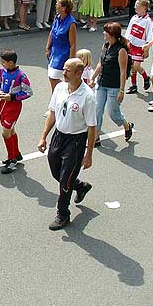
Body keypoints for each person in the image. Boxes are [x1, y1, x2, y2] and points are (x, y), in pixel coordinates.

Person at [38, 57, 96, 231]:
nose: (63, 73)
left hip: (76, 141)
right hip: (59, 136)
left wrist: (89, 154)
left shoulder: (88, 96)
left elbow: (92, 128)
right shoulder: (60, 88)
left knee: (65, 181)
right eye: (63, 69)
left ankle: (62, 214)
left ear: (79, 73)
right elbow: (53, 113)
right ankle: (81, 186)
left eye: (67, 70)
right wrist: (43, 137)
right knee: (57, 172)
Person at [89, 22, 134, 145]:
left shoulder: (121, 51)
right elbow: (100, 64)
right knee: (97, 110)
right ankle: (96, 136)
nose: (103, 33)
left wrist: (121, 90)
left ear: (112, 34)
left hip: (114, 86)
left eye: (106, 32)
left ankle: (127, 125)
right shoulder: (105, 46)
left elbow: (123, 72)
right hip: (102, 84)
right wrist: (93, 78)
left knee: (113, 113)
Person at [0, 49, 33, 174]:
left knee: (5, 133)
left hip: (13, 107)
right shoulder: (2, 71)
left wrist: (13, 97)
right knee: (11, 130)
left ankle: (12, 160)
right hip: (3, 105)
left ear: (11, 63)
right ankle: (17, 153)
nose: (2, 64)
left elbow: (28, 92)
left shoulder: (21, 75)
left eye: (3, 62)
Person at [46, 0, 77, 93]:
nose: (56, 5)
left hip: (63, 55)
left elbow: (73, 45)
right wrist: (47, 48)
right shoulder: (58, 17)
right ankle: (57, 98)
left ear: (63, 8)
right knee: (51, 77)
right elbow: (52, 32)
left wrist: (71, 61)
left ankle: (60, 98)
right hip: (54, 53)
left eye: (58, 4)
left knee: (54, 78)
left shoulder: (71, 23)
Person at [124, 0, 153, 95]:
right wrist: (127, 41)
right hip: (131, 45)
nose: (135, 6)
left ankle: (146, 77)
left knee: (136, 66)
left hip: (140, 47)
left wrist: (147, 49)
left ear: (144, 8)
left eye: (137, 5)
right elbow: (129, 30)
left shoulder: (148, 21)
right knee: (132, 66)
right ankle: (133, 85)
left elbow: (149, 36)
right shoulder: (134, 18)